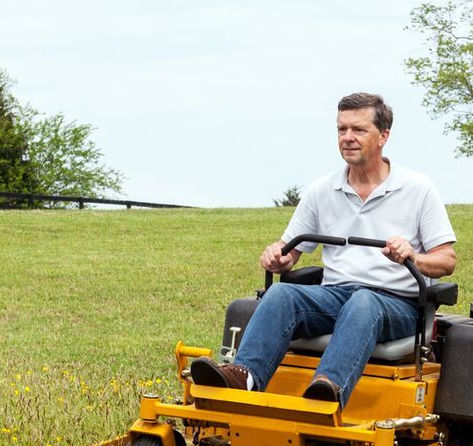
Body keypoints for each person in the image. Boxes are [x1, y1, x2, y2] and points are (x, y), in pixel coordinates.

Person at [191, 92, 457, 405]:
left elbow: (446, 260)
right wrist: (278, 256)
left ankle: (326, 390)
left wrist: (413, 255)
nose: (348, 137)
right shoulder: (322, 190)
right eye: (341, 129)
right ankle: (243, 376)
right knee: (281, 294)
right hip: (335, 296)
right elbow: (290, 251)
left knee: (364, 302)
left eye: (358, 130)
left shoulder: (417, 189)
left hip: (395, 302)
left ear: (384, 136)